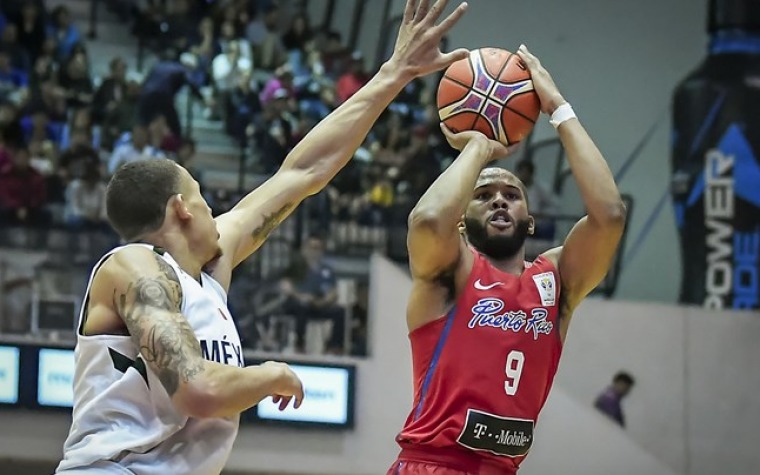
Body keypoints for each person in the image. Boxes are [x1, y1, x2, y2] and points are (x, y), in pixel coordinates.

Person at [55, 0, 469, 472]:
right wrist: (270, 374)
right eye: (205, 199)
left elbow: (303, 171)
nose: (218, 212)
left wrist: (393, 75)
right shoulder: (132, 266)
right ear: (181, 209)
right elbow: (199, 390)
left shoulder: (206, 269)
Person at [388, 44, 627, 475]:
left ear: (530, 221)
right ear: (461, 222)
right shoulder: (451, 273)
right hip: (433, 464)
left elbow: (609, 216)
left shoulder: (555, 282)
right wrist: (479, 147)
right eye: (483, 196)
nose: (499, 200)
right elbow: (425, 221)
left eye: (511, 195)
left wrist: (557, 108)